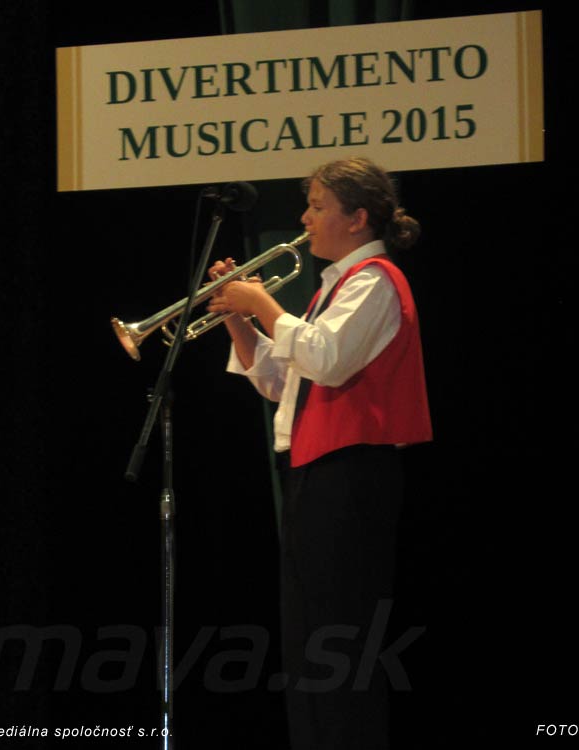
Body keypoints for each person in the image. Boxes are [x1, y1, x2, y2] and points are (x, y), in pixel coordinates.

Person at [206, 157, 432, 750]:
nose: (304, 219)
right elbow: (284, 384)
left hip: (349, 474)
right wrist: (238, 320)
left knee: (339, 639)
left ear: (357, 218)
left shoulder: (375, 280)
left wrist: (263, 304)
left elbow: (326, 361)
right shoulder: (335, 288)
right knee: (310, 642)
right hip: (315, 471)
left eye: (316, 206)